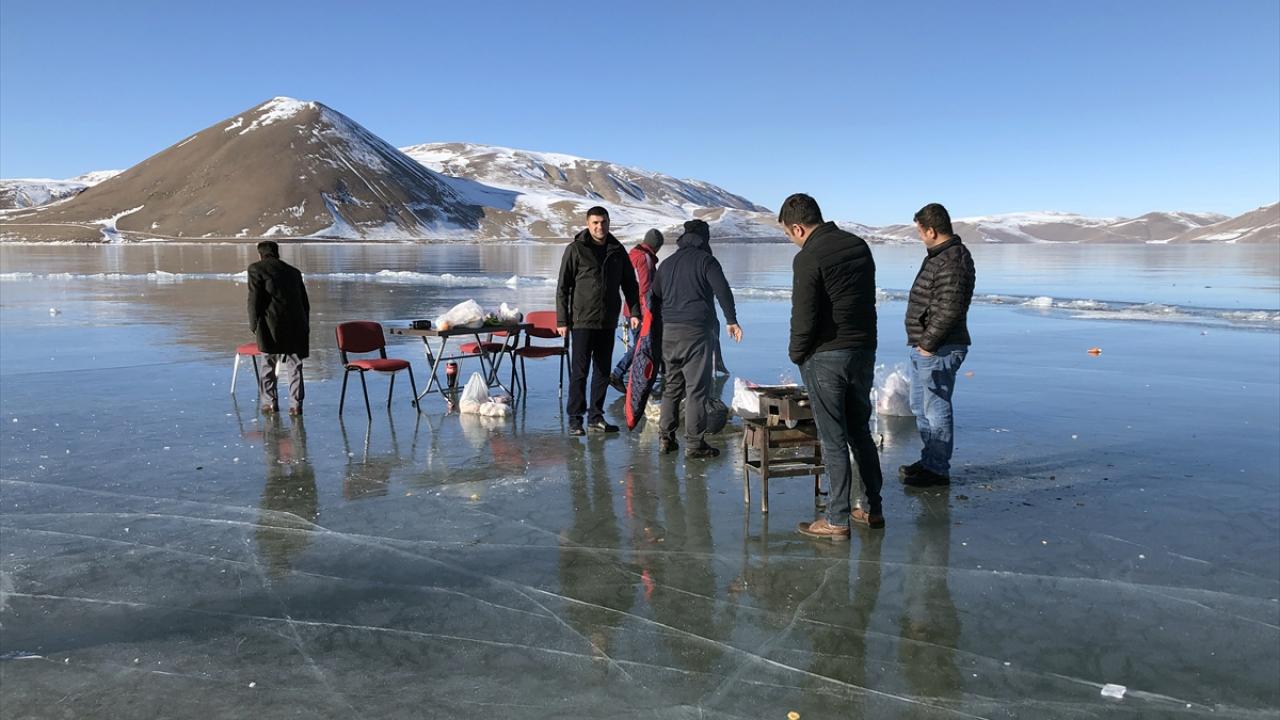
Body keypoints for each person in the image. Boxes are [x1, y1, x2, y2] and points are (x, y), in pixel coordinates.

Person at [779, 193, 884, 540]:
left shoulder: (809, 258)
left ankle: (837, 518)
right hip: (863, 350)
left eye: (790, 235)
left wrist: (797, 354)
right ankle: (870, 509)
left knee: (833, 437)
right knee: (860, 432)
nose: (792, 241)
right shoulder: (858, 246)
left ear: (798, 227)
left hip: (826, 356)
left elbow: (804, 317)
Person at [651, 219, 742, 458]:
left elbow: (655, 297)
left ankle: (665, 438)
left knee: (671, 386)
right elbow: (722, 290)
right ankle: (694, 444)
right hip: (696, 332)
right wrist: (731, 320)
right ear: (705, 238)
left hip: (669, 332)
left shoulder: (667, 263)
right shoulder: (706, 261)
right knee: (696, 390)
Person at [900, 203, 975, 487]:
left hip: (940, 347)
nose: (920, 237)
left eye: (920, 231)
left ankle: (937, 469)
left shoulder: (952, 260)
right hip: (927, 345)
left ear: (931, 230)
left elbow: (950, 309)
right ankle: (930, 460)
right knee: (920, 406)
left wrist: (928, 345)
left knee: (936, 407)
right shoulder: (940, 256)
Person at [556, 206, 641, 435]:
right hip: (582, 320)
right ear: (587, 223)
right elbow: (563, 287)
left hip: (607, 320)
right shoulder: (576, 249)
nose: (599, 227)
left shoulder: (616, 250)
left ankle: (595, 417)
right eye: (595, 223)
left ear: (609, 222)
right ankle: (575, 420)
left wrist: (634, 312)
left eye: (603, 222)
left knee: (602, 370)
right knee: (580, 371)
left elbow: (630, 285)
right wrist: (562, 320)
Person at [247, 240, 310, 415]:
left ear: (260, 254)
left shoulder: (256, 269)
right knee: (295, 365)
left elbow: (254, 300)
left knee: (268, 363)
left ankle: (269, 403)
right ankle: (296, 405)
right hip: (296, 324)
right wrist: (305, 325)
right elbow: (305, 303)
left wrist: (254, 324)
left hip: (270, 324)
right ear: (277, 253)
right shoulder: (294, 272)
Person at [609, 228, 664, 392]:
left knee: (641, 344)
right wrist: (649, 312)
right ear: (656, 246)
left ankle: (637, 377)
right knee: (642, 345)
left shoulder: (632, 255)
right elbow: (645, 289)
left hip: (629, 308)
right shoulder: (645, 259)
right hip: (640, 311)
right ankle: (618, 373)